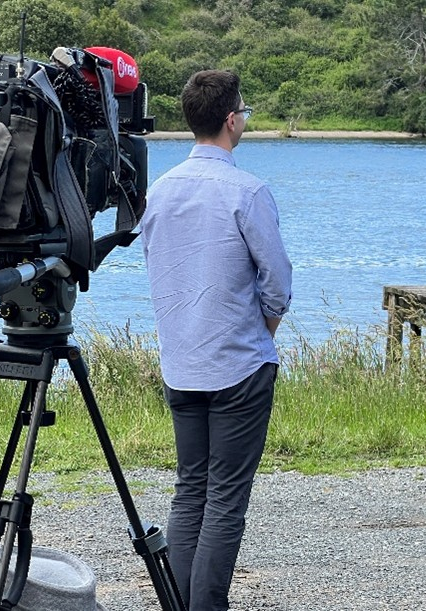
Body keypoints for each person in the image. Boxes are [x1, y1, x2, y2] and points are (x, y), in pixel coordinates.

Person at [140, 69, 293, 610]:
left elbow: (158, 267)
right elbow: (277, 280)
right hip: (238, 365)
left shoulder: (158, 191)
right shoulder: (247, 191)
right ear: (231, 120)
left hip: (181, 363)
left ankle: (179, 606)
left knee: (190, 491)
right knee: (225, 499)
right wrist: (264, 330)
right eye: (244, 112)